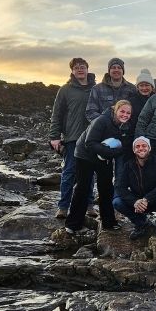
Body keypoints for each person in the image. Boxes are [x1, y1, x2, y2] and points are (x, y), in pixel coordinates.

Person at [65, 99, 132, 234]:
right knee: (83, 188)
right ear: (115, 110)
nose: (125, 115)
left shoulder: (124, 125)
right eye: (122, 111)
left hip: (103, 156)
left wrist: (113, 152)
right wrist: (111, 153)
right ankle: (72, 224)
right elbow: (89, 142)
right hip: (85, 155)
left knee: (106, 188)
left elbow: (122, 145)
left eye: (128, 113)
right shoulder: (101, 120)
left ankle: (108, 222)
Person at [48, 57, 96, 219]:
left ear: (88, 69)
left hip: (92, 138)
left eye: (83, 67)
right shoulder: (65, 90)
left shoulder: (96, 89)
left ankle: (89, 205)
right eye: (76, 68)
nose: (80, 69)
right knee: (69, 172)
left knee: (89, 174)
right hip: (72, 138)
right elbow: (57, 114)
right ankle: (63, 206)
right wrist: (54, 137)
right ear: (72, 71)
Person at [113, 136, 156, 240]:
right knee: (117, 202)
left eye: (144, 145)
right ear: (134, 150)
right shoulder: (128, 165)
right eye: (138, 146)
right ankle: (141, 224)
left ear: (149, 148)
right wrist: (135, 201)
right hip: (138, 203)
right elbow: (120, 187)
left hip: (155, 199)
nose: (141, 148)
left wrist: (147, 199)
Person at [125, 68, 155, 161]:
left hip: (153, 138)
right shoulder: (131, 101)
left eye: (147, 85)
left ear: (152, 86)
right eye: (141, 85)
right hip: (135, 138)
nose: (144, 88)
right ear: (137, 87)